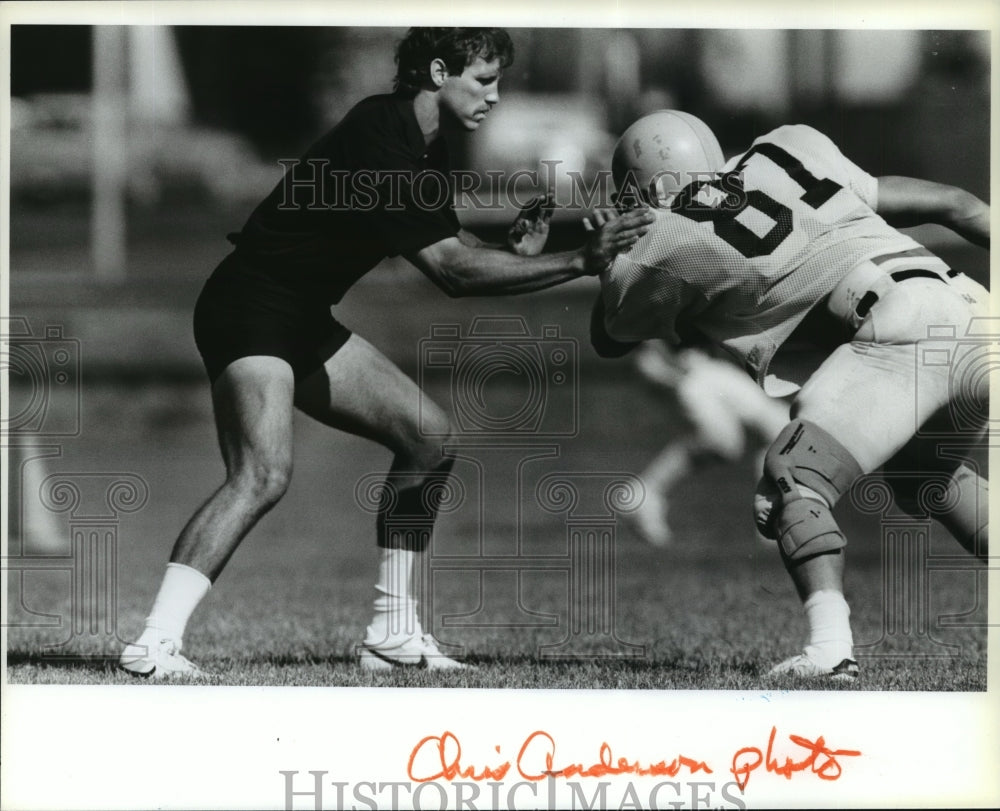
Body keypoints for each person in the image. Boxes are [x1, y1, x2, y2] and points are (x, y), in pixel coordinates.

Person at [119, 28, 653, 678]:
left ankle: (391, 633)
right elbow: (452, 271)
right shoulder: (381, 131)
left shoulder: (427, 148)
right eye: (483, 79)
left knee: (427, 438)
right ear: (437, 71)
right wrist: (581, 260)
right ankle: (154, 644)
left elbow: (451, 244)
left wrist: (525, 255)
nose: (495, 94)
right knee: (262, 474)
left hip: (300, 315)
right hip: (250, 303)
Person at [590, 109, 990, 680]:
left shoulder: (663, 234)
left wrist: (609, 253)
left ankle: (830, 649)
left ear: (647, 187)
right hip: (971, 309)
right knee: (927, 478)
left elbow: (608, 336)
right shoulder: (789, 146)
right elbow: (955, 203)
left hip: (897, 328)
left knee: (791, 480)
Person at [628, 340, 789, 547]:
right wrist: (662, 365)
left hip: (707, 369)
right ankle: (646, 492)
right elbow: (648, 338)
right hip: (694, 374)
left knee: (782, 432)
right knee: (725, 442)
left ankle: (772, 516)